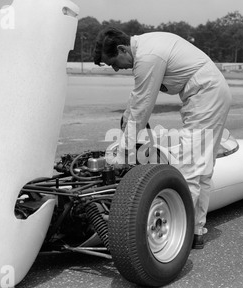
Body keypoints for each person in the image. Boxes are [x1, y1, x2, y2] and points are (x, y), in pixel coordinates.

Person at [94, 27, 232, 249]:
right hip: (208, 93)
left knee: (190, 167)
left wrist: (121, 156)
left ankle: (182, 232)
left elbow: (142, 107)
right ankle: (196, 230)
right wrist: (126, 118)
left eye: (114, 62)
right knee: (202, 167)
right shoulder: (147, 48)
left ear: (122, 48)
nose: (117, 68)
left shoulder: (148, 56)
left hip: (206, 95)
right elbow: (138, 96)